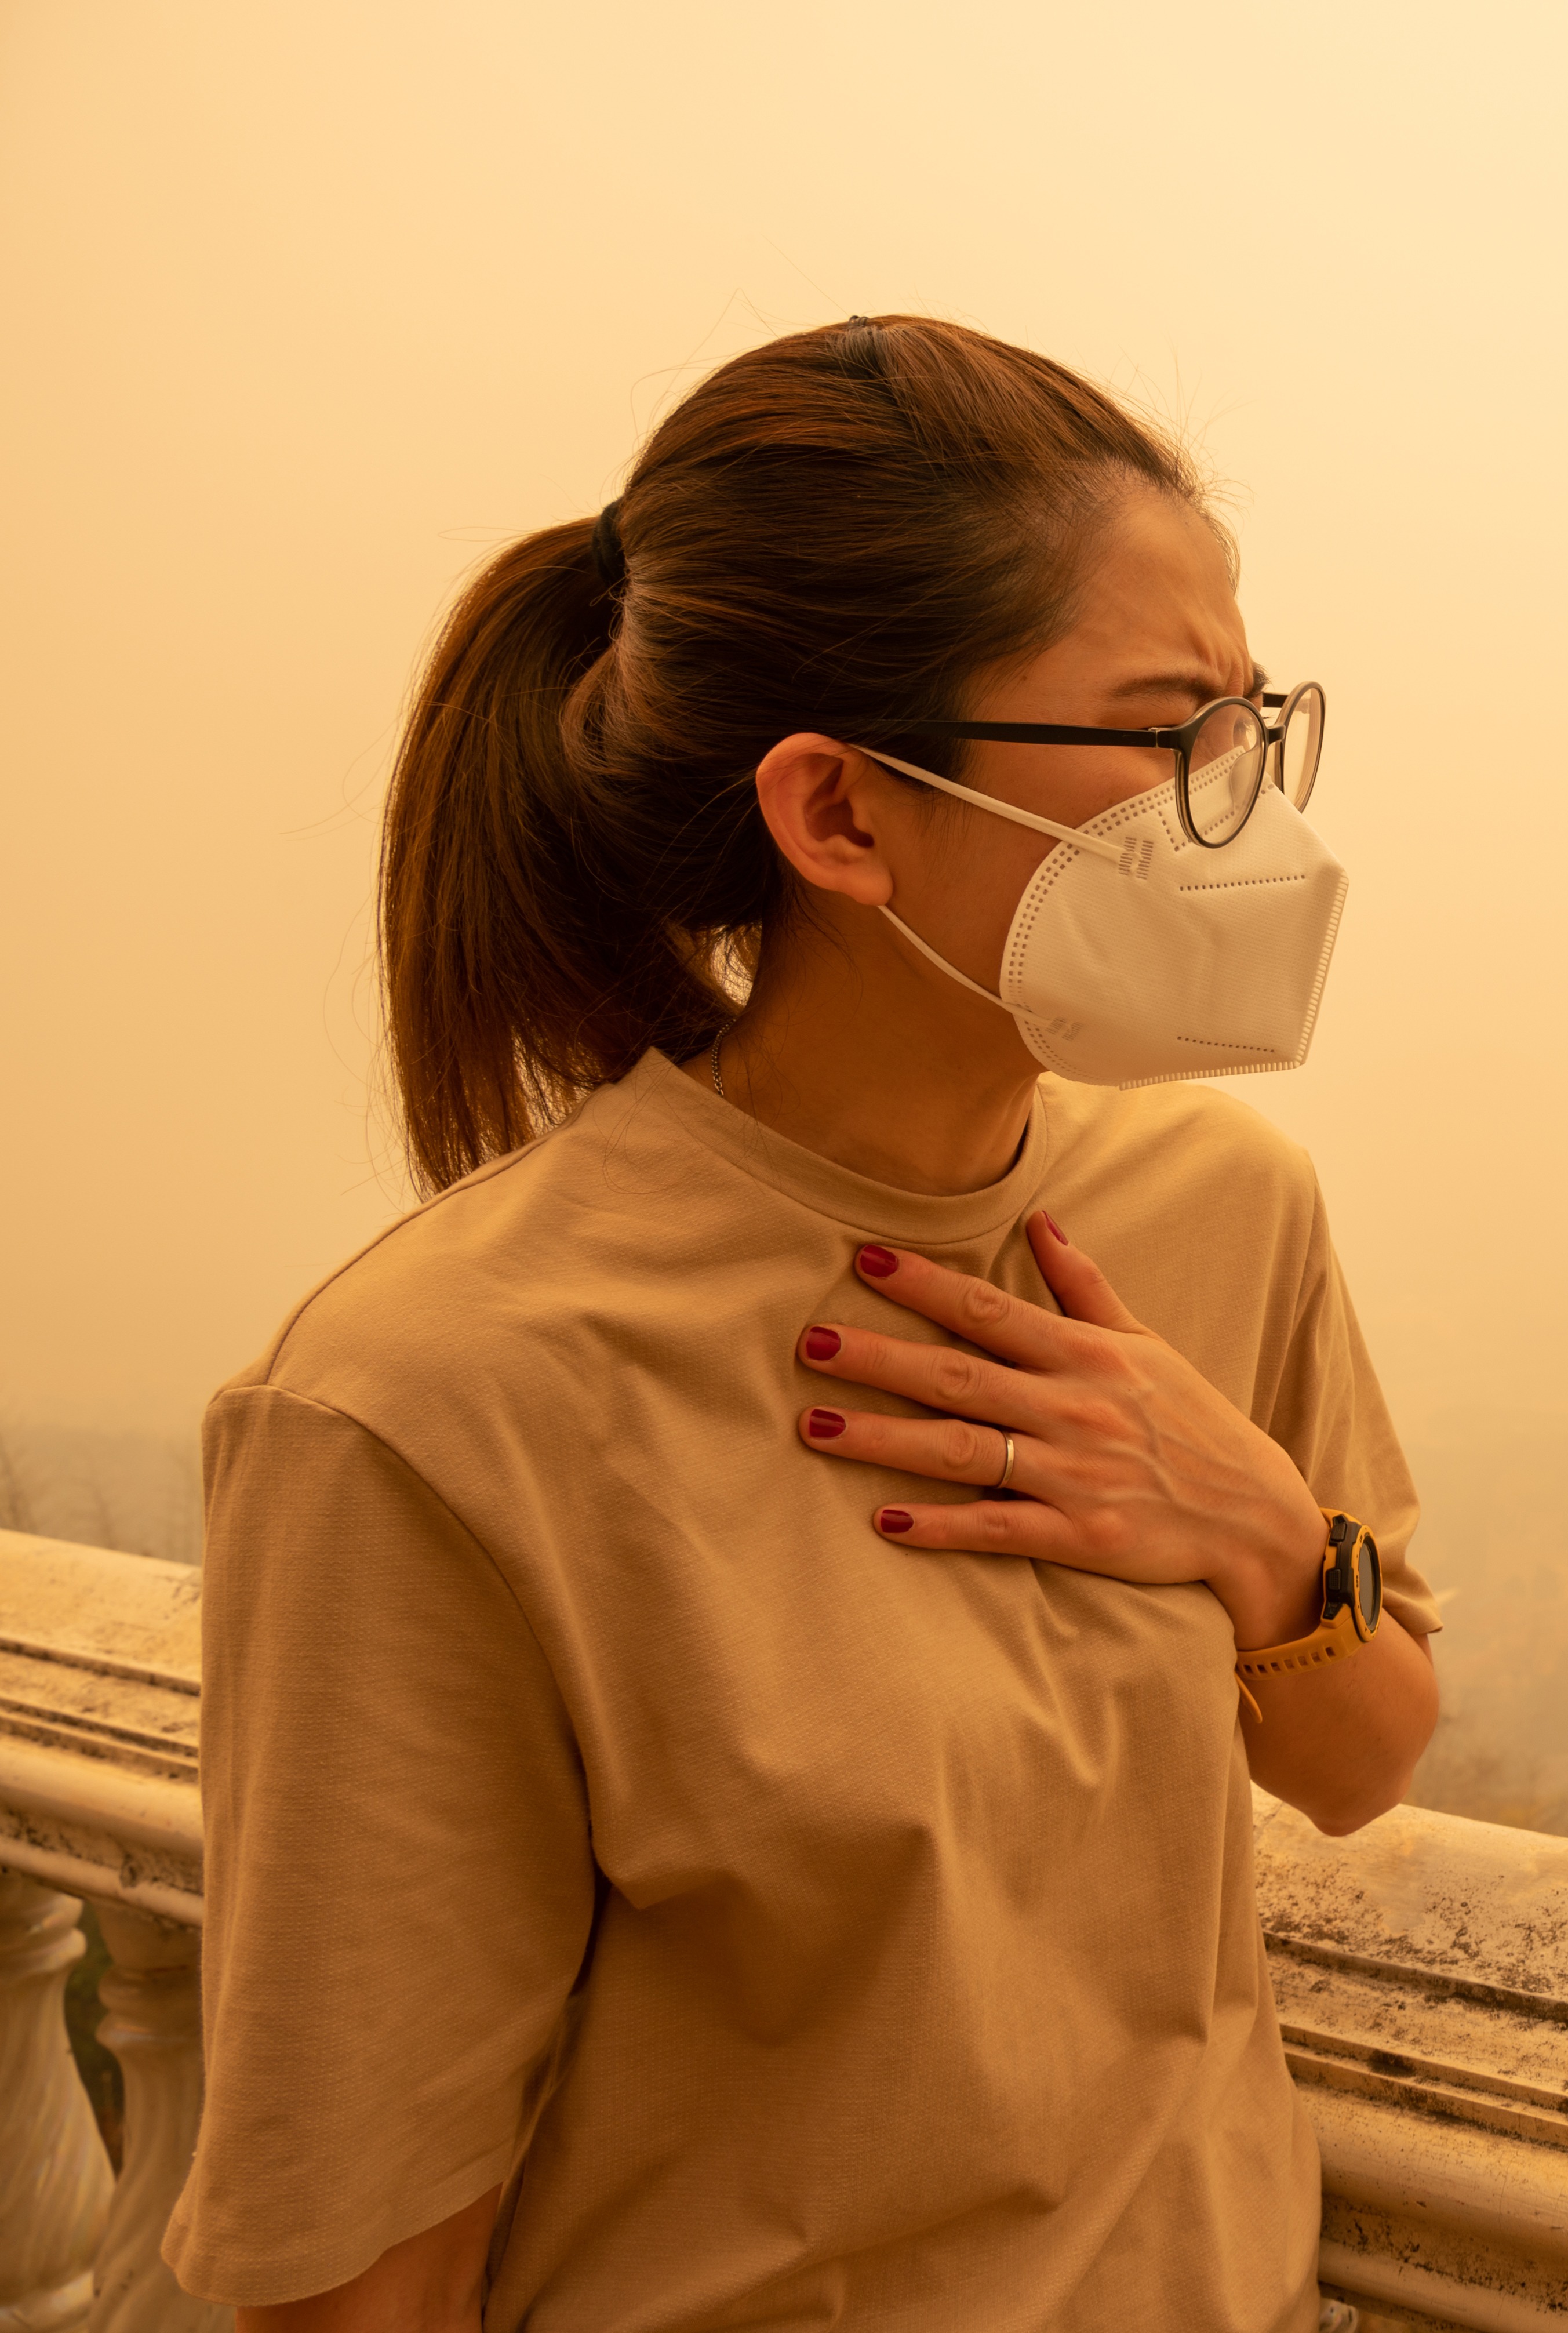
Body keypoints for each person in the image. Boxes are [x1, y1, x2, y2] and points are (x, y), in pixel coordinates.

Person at [166, 315, 1440, 2333]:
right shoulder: (433, 1403)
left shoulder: (1219, 1211)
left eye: (1249, 723)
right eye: (1164, 733)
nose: (1238, 809)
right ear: (842, 814)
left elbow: (1369, 1759)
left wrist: (1256, 1528)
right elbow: (360, 2258)